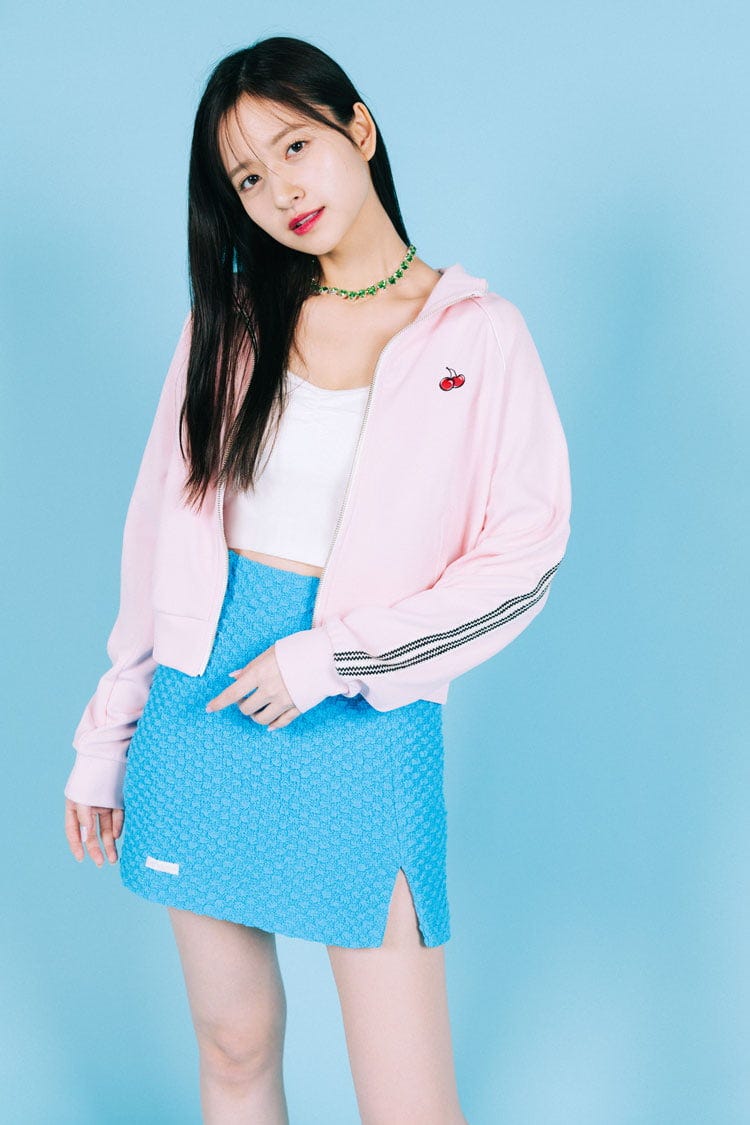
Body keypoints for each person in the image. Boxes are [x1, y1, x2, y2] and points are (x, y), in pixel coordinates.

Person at [63, 34, 572, 1125]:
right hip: (201, 709)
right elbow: (157, 535)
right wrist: (109, 735)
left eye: (295, 146)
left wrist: (333, 657)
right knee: (233, 1045)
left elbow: (522, 562)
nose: (281, 190)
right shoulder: (231, 322)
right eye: (248, 177)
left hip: (364, 716)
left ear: (359, 129)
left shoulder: (478, 336)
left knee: (408, 1100)